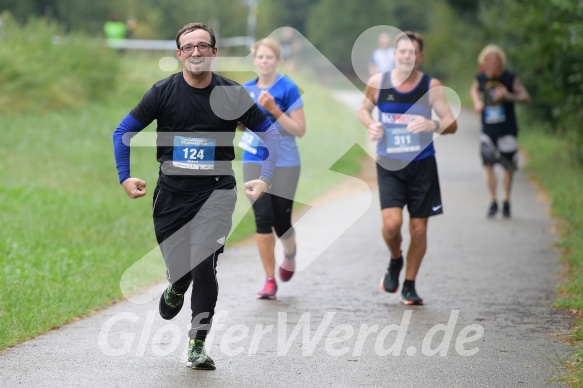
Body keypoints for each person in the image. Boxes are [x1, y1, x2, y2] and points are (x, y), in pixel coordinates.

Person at [112, 22, 281, 370]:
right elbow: (123, 131)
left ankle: (197, 344)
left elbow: (272, 135)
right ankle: (176, 285)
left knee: (204, 265)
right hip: (171, 196)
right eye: (188, 47)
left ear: (214, 52)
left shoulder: (232, 94)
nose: (196, 52)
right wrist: (125, 178)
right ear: (179, 54)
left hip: (217, 193)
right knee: (182, 269)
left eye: (203, 46)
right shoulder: (162, 92)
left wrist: (264, 178)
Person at [358, 31, 458, 305]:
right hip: (390, 164)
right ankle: (395, 259)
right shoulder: (378, 82)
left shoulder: (430, 86)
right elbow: (363, 111)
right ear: (394, 54)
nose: (406, 56)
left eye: (412, 52)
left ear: (420, 57)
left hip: (422, 166)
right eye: (402, 51)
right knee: (392, 225)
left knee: (418, 229)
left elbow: (452, 122)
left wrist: (433, 124)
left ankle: (410, 285)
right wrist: (372, 125)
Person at [238, 38, 306, 300]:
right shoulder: (245, 89)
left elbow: (300, 130)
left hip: (285, 162)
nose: (264, 61)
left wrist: (274, 110)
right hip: (253, 158)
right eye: (260, 57)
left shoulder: (288, 88)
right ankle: (269, 280)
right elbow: (240, 125)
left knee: (281, 222)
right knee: (262, 219)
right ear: (255, 60)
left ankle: (289, 253)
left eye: (269, 57)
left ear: (277, 60)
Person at [470, 44, 530, 218]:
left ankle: (506, 200)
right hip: (488, 130)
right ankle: (493, 200)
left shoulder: (510, 77)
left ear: (501, 61)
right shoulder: (481, 77)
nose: (493, 63)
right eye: (489, 60)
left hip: (508, 129)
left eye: (496, 59)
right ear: (484, 62)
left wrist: (508, 96)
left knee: (507, 167)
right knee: (488, 164)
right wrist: (477, 103)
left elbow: (525, 97)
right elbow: (474, 90)